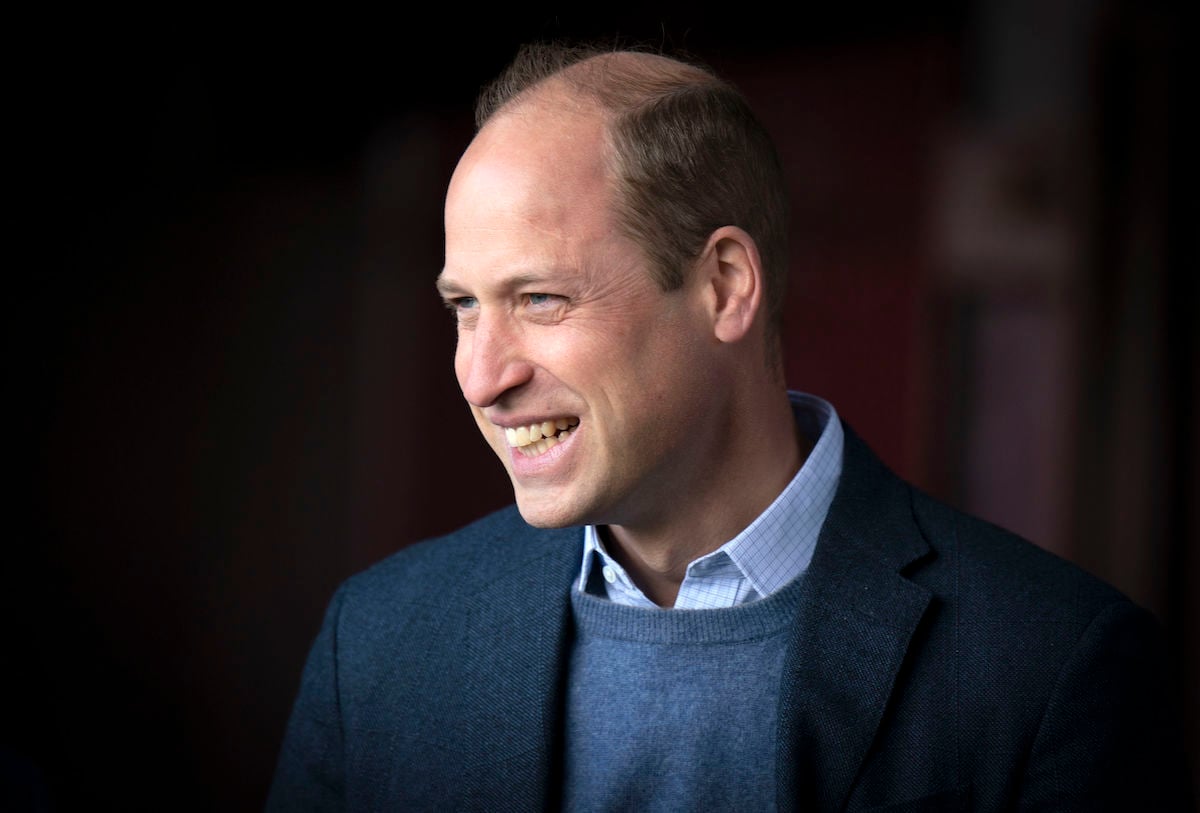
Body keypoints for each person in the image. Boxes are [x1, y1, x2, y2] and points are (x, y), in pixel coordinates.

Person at [267, 42, 1192, 811]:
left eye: (539, 299)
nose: (481, 374)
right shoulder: (377, 643)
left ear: (724, 287)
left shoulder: (1052, 669)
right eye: (465, 306)